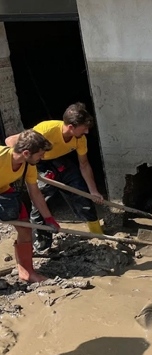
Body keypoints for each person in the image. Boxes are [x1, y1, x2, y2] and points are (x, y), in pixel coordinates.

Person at [5, 102, 104, 253]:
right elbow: (11, 141)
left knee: (81, 193)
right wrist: (26, 167)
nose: (87, 132)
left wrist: (93, 191)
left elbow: (84, 165)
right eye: (84, 128)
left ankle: (98, 234)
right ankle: (42, 244)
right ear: (71, 127)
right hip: (38, 163)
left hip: (59, 161)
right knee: (41, 200)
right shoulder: (47, 129)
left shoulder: (80, 138)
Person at [0, 130, 60, 282]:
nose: (42, 158)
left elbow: (35, 192)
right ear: (26, 153)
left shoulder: (28, 165)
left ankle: (27, 273)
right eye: (40, 155)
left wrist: (48, 218)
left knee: (26, 228)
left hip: (3, 190)